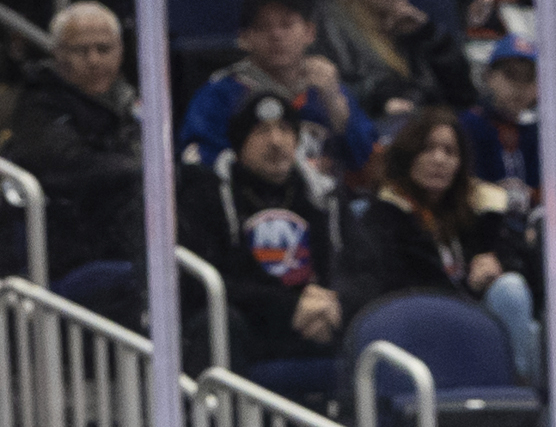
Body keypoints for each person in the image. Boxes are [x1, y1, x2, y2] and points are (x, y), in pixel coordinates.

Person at [340, 105, 538, 380]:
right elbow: (400, 282)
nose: (439, 160)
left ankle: (521, 397)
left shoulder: (480, 208)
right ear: (408, 155)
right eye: (427, 149)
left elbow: (524, 260)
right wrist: (469, 286)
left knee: (516, 298)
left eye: (450, 152)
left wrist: (497, 261)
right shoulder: (382, 214)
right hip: (418, 323)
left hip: (477, 320)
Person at [176, 90, 345, 405]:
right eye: (262, 131)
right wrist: (288, 306)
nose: (276, 141)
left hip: (312, 320)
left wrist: (334, 303)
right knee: (219, 322)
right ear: (239, 144)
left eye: (284, 130)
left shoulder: (322, 197)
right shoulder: (210, 197)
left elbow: (357, 264)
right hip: (254, 324)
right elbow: (209, 280)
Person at [1, 3, 145, 304]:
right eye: (81, 50)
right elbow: (66, 166)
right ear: (58, 54)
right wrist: (136, 169)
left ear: (120, 51)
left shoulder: (134, 102)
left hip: (125, 234)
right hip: (68, 242)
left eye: (103, 49)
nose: (93, 60)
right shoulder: (39, 102)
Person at [182, 0, 372, 179]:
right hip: (251, 202)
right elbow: (198, 162)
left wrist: (337, 108)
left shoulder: (328, 87)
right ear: (244, 38)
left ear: (309, 32)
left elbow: (365, 162)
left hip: (324, 204)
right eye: (263, 27)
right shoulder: (220, 93)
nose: (276, 35)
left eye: (287, 24)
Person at [320, 0, 471, 121]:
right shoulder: (334, 28)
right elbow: (350, 85)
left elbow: (464, 95)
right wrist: (381, 102)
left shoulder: (411, 27)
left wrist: (429, 35)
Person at [463, 37, 538, 196]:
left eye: (529, 77)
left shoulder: (536, 132)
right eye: (511, 75)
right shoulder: (469, 124)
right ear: (489, 76)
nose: (519, 86)